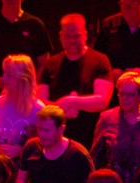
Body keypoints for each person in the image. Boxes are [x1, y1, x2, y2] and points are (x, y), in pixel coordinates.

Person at [39, 13, 114, 146]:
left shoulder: (100, 61)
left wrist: (71, 101)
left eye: (77, 36)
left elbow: (103, 100)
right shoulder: (51, 63)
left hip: (90, 137)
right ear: (60, 36)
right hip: (56, 139)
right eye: (68, 37)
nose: (72, 41)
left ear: (85, 35)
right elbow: (39, 102)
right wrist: (62, 109)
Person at [16, 105, 94, 183]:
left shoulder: (78, 155)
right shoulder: (31, 147)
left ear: (61, 129)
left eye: (46, 130)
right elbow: (21, 179)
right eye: (39, 129)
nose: (41, 134)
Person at [89, 72, 140, 183]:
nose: (124, 98)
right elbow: (96, 155)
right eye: (121, 94)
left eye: (130, 94)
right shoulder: (107, 118)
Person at [0, 54, 45, 164]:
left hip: (24, 168)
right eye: (4, 74)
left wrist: (22, 151)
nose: (3, 79)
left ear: (23, 79)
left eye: (9, 75)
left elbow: (43, 144)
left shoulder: (38, 109)